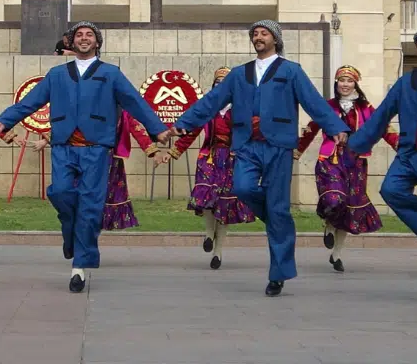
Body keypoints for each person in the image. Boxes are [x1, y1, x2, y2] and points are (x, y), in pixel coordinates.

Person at [173, 21, 348, 297]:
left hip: (278, 145)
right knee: (242, 188)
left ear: (275, 39)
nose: (258, 37)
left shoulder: (291, 71)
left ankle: (278, 274)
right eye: (254, 34)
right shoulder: (239, 74)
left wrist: (336, 127)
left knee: (277, 208)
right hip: (247, 145)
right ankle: (279, 220)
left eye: (263, 33)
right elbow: (213, 100)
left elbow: (313, 102)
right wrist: (185, 122)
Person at [0, 22, 170, 293]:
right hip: (63, 145)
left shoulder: (111, 74)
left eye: (89, 35)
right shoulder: (56, 74)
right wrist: (5, 120)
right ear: (71, 42)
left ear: (97, 42)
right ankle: (71, 233)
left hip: (96, 148)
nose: (84, 39)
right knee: (60, 192)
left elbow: (135, 102)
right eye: (79, 35)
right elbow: (30, 103)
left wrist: (157, 130)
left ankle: (79, 267)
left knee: (90, 205)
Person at [347, 28, 417, 260]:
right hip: (409, 153)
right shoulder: (405, 82)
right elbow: (382, 114)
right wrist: (356, 143)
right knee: (391, 189)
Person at [296, 65, 395, 272]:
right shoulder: (326, 106)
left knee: (349, 208)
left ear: (356, 84)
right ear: (336, 83)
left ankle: (337, 253)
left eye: (349, 81)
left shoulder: (366, 108)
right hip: (330, 159)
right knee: (334, 199)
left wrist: (402, 146)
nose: (345, 84)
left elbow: (383, 127)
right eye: (342, 80)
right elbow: (310, 129)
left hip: (356, 163)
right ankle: (329, 225)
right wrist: (295, 152)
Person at [166, 67, 256, 270]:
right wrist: (174, 151)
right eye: (218, 83)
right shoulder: (209, 109)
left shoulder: (242, 109)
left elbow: (252, 134)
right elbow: (191, 130)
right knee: (206, 195)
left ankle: (218, 251)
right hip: (210, 156)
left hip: (232, 159)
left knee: (224, 205)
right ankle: (208, 233)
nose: (221, 87)